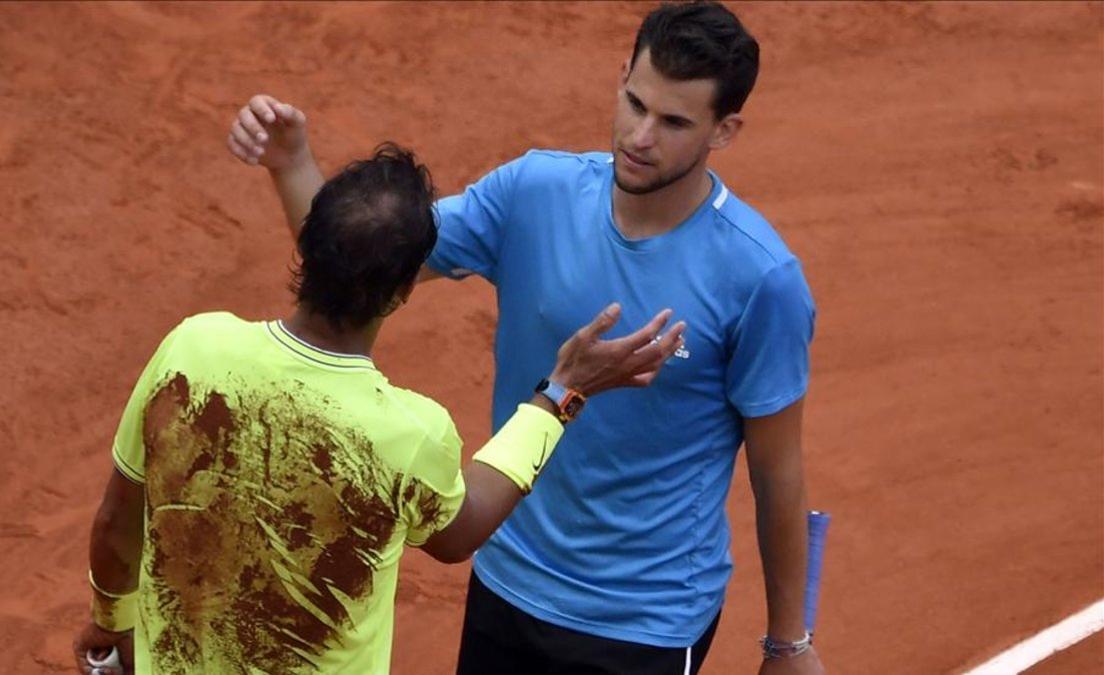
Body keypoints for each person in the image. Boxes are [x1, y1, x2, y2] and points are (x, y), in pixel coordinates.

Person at [229, 2, 824, 673]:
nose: (640, 135)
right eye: (634, 102)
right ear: (622, 73)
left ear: (725, 129)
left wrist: (787, 641)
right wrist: (292, 162)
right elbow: (358, 259)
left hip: (645, 619)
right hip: (508, 579)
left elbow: (777, 470)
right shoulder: (533, 192)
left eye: (674, 122)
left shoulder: (760, 278)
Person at [71, 144, 686, 674]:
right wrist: (560, 394)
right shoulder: (406, 431)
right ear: (401, 292)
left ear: (306, 250)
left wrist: (109, 622)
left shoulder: (191, 348)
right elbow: (459, 533)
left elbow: (116, 520)